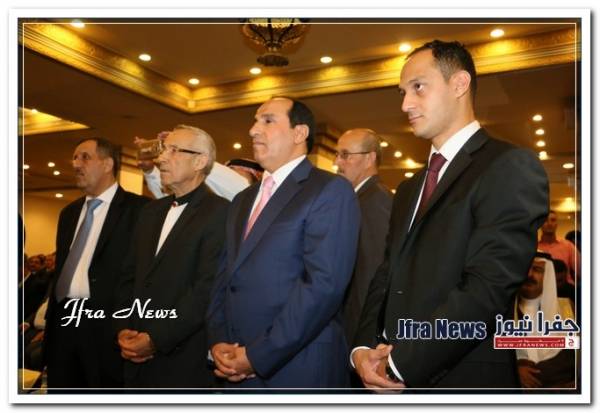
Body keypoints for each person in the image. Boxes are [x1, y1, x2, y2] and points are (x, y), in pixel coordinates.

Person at [352, 40, 549, 389]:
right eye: (402, 92)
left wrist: (399, 364)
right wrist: (364, 348)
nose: (405, 104)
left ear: (459, 84)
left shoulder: (508, 166)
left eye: (418, 87)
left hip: (463, 380)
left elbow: (487, 288)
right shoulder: (410, 187)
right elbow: (387, 273)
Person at [206, 97, 360, 388]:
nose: (253, 130)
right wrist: (218, 341)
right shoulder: (242, 200)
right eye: (255, 121)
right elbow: (224, 276)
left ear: (299, 133)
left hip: (295, 368)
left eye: (267, 120)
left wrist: (257, 355)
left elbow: (323, 286)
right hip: (233, 362)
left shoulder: (329, 190)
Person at [115, 125, 228, 388]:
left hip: (182, 359)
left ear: (200, 161)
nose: (161, 158)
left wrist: (155, 339)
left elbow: (206, 290)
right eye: (164, 150)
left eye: (174, 150)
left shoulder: (221, 212)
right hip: (133, 356)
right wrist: (122, 328)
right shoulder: (150, 211)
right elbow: (128, 276)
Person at [44, 137, 149, 388]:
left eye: (85, 157)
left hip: (107, 328)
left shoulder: (140, 210)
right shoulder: (68, 213)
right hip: (63, 324)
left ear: (107, 164)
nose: (75, 164)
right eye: (74, 158)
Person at [334, 128, 393, 348]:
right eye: (337, 154)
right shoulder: (358, 198)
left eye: (345, 155)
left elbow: (371, 276)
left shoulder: (375, 200)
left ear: (370, 158)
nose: (337, 162)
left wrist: (360, 342)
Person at [515, 252, 577, 389]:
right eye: (526, 268)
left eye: (537, 269)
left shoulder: (567, 308)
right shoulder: (503, 310)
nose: (529, 274)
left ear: (548, 276)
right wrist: (515, 370)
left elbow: (579, 355)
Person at [134, 134, 250, 200]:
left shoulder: (245, 196)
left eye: (235, 174)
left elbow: (241, 189)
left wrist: (189, 148)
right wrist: (150, 171)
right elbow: (166, 197)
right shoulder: (201, 203)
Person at [538, 211, 581, 285]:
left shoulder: (568, 246)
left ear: (557, 224)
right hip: (541, 287)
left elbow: (581, 270)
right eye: (545, 220)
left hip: (565, 287)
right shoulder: (534, 246)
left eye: (553, 220)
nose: (549, 223)